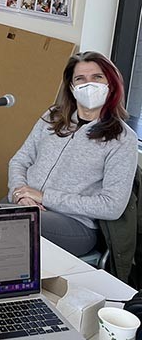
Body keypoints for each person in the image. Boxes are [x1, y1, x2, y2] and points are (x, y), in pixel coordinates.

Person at [8, 51, 138, 256]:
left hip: (76, 225)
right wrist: (19, 193)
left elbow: (112, 206)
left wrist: (45, 197)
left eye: (97, 77)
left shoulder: (122, 139)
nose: (89, 84)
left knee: (1, 225)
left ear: (110, 84)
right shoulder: (52, 117)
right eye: (80, 79)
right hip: (27, 209)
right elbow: (20, 160)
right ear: (71, 87)